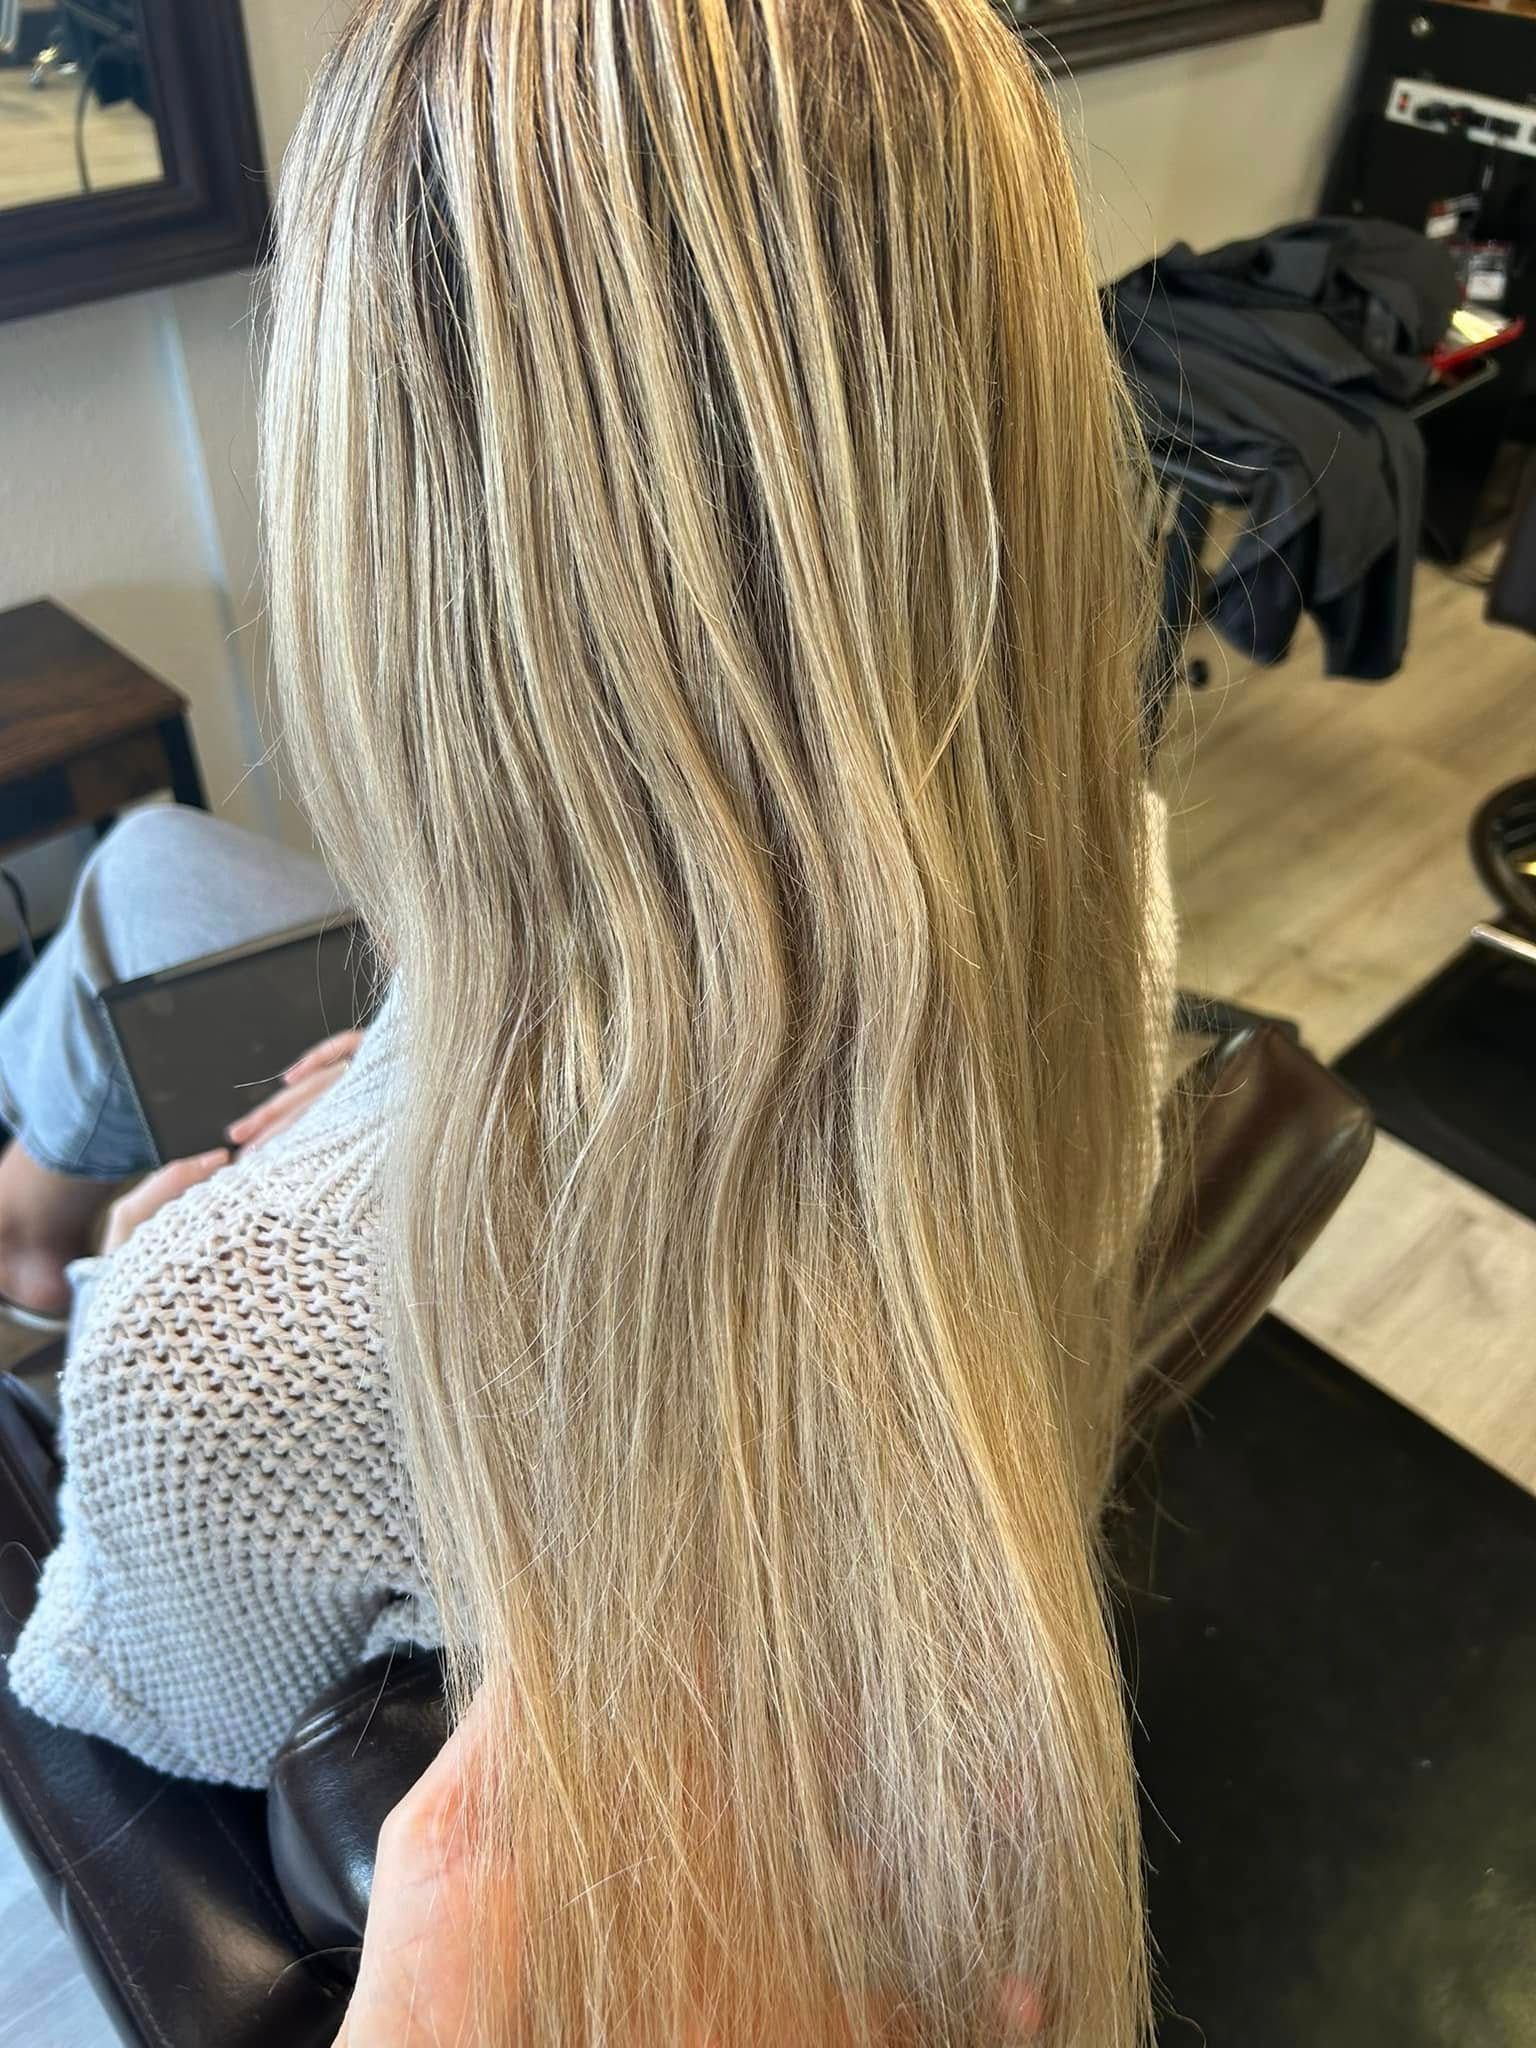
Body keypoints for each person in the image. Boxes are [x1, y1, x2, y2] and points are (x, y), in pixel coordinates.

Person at [13, 0, 1178, 2038]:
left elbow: (127, 1706)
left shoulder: (218, 1336)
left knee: (131, 910)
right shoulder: (1123, 922)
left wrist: (150, 1283)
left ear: (393, 530)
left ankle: (32, 1251)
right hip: (445, 1041)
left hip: (247, 1265)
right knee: (162, 886)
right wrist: (396, 1084)